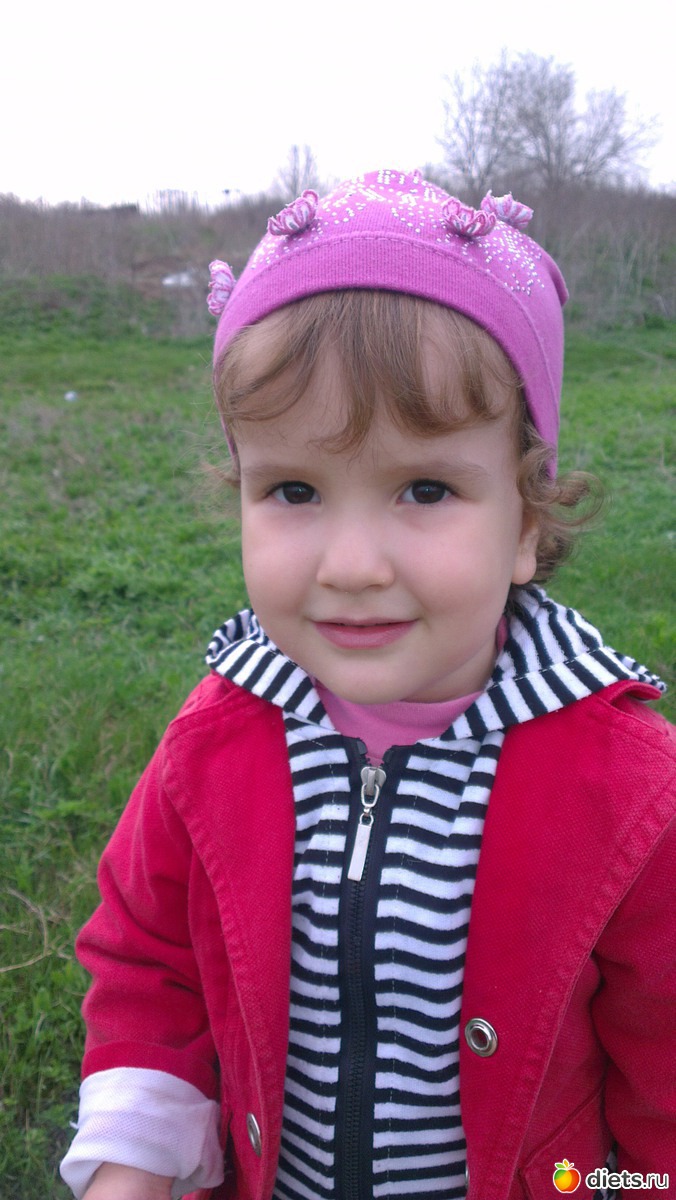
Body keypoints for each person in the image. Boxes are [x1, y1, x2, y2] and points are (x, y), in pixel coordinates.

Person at [61, 169, 675, 1200]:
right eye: (293, 489)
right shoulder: (213, 742)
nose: (350, 565)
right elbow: (149, 966)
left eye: (424, 488)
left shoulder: (632, 793)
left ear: (525, 524)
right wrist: (133, 1161)